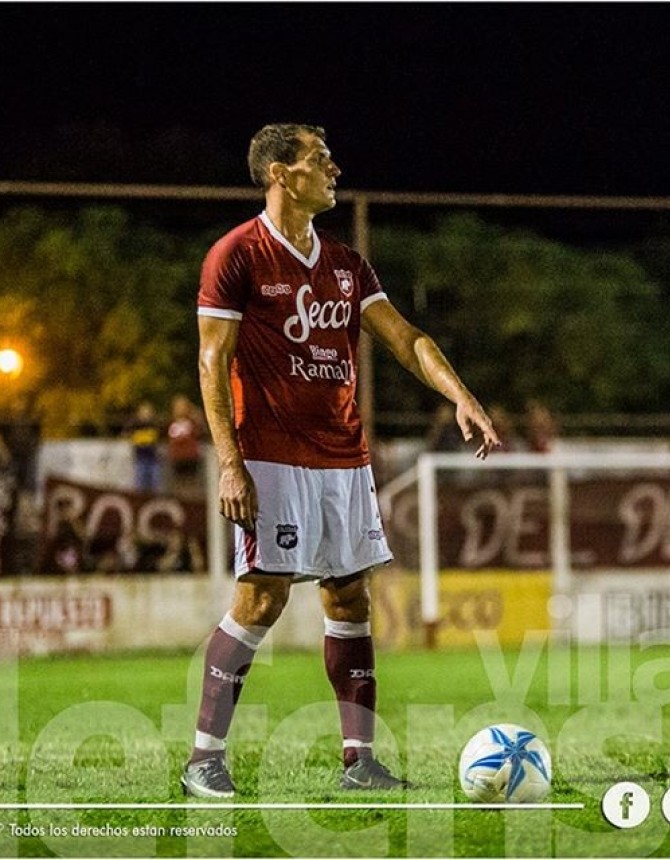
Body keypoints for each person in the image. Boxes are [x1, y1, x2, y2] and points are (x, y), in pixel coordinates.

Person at [185, 123, 500, 798]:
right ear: (280, 173)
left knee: (350, 595)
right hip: (271, 457)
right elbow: (212, 362)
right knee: (261, 597)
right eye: (319, 160)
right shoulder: (236, 255)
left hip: (344, 459)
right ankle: (203, 759)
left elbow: (405, 340)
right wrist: (230, 462)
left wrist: (462, 397)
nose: (333, 169)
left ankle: (360, 760)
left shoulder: (347, 264)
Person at [166, 394, 205, 497]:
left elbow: (200, 432)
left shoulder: (191, 422)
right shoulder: (172, 422)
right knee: (178, 486)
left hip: (190, 458)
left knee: (191, 485)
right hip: (177, 459)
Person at [125, 400, 163, 493]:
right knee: (140, 484)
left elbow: (161, 434)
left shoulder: (154, 424)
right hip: (140, 458)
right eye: (144, 412)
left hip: (153, 458)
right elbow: (126, 432)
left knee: (155, 483)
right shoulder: (135, 424)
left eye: (148, 412)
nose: (146, 415)